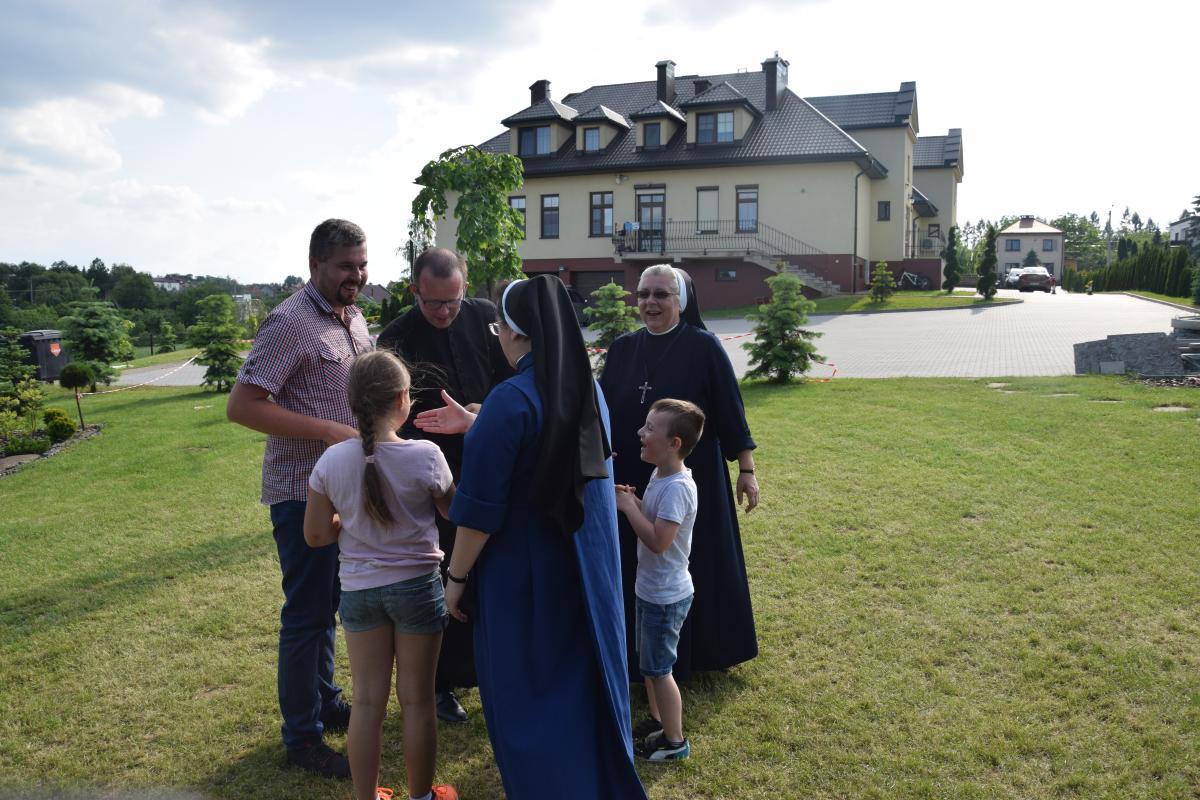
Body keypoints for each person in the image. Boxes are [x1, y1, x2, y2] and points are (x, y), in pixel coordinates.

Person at [418, 275, 648, 800]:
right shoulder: (587, 390)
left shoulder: (510, 400)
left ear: (517, 333)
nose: (497, 336)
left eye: (498, 327)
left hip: (527, 575)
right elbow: (547, 441)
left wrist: (455, 578)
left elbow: (479, 514)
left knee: (529, 698)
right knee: (583, 686)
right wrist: (478, 421)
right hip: (586, 568)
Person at [226, 218, 372, 779]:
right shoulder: (290, 322)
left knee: (330, 605)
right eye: (346, 266)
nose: (357, 275)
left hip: (346, 489)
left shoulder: (352, 317)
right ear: (315, 264)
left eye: (362, 264)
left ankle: (325, 701)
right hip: (301, 491)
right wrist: (329, 431)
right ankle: (303, 737)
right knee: (307, 614)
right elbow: (242, 406)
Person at [304, 350, 458, 800]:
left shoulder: (331, 461)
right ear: (403, 399)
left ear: (352, 402)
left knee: (367, 702)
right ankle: (422, 796)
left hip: (360, 591)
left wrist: (349, 518)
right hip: (417, 589)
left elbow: (316, 535)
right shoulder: (426, 455)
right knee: (418, 700)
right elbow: (454, 511)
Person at [599, 264, 760, 680]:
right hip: (632, 473)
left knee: (694, 560)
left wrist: (746, 468)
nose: (650, 303)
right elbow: (599, 413)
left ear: (681, 301)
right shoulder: (623, 349)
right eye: (643, 294)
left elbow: (730, 410)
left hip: (692, 478)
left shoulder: (704, 347)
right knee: (637, 562)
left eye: (661, 295)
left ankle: (702, 654)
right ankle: (638, 654)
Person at [376, 247, 512, 723]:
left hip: (488, 460)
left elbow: (510, 381)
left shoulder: (486, 316)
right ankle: (439, 684)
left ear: (465, 288)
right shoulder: (395, 337)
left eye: (453, 300)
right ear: (415, 290)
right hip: (427, 476)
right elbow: (387, 415)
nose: (444, 311)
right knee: (436, 578)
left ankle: (488, 668)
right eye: (433, 302)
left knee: (486, 571)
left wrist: (481, 414)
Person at [615, 398, 704, 762]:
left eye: (650, 428)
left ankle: (675, 740)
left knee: (659, 670)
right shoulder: (660, 474)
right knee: (649, 666)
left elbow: (658, 541)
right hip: (650, 590)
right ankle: (657, 720)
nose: (641, 432)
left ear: (674, 444)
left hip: (666, 597)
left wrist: (628, 509)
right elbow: (654, 522)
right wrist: (635, 502)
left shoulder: (677, 487)